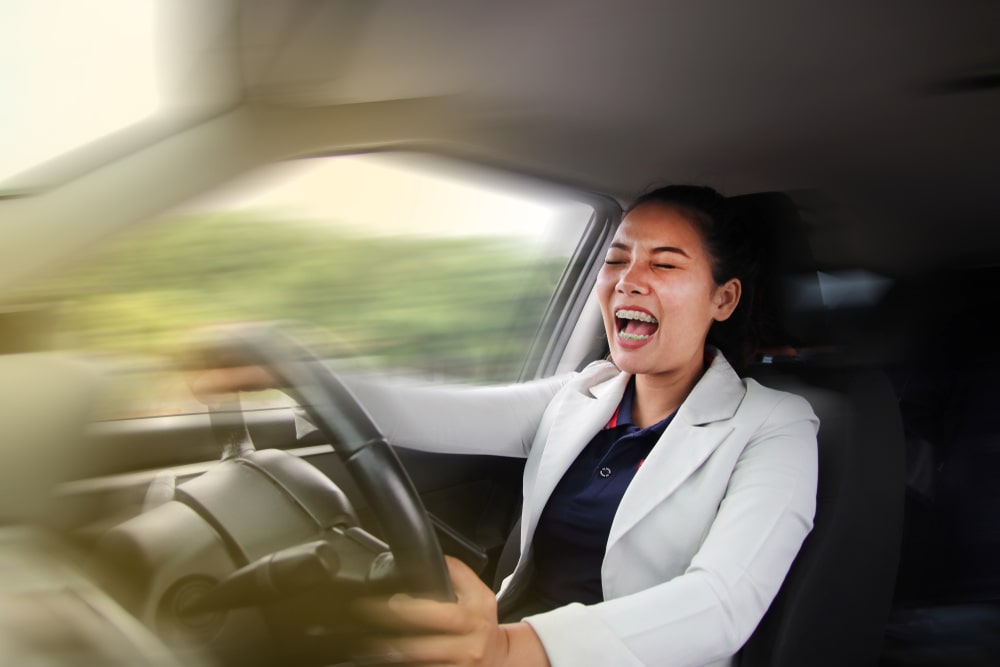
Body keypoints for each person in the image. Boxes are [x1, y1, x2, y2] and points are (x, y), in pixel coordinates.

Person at [193, 185, 819, 667]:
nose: (629, 280)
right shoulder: (582, 394)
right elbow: (427, 410)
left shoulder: (774, 426)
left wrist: (513, 649)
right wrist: (293, 366)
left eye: (665, 264)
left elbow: (721, 604)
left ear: (723, 299)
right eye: (617, 259)